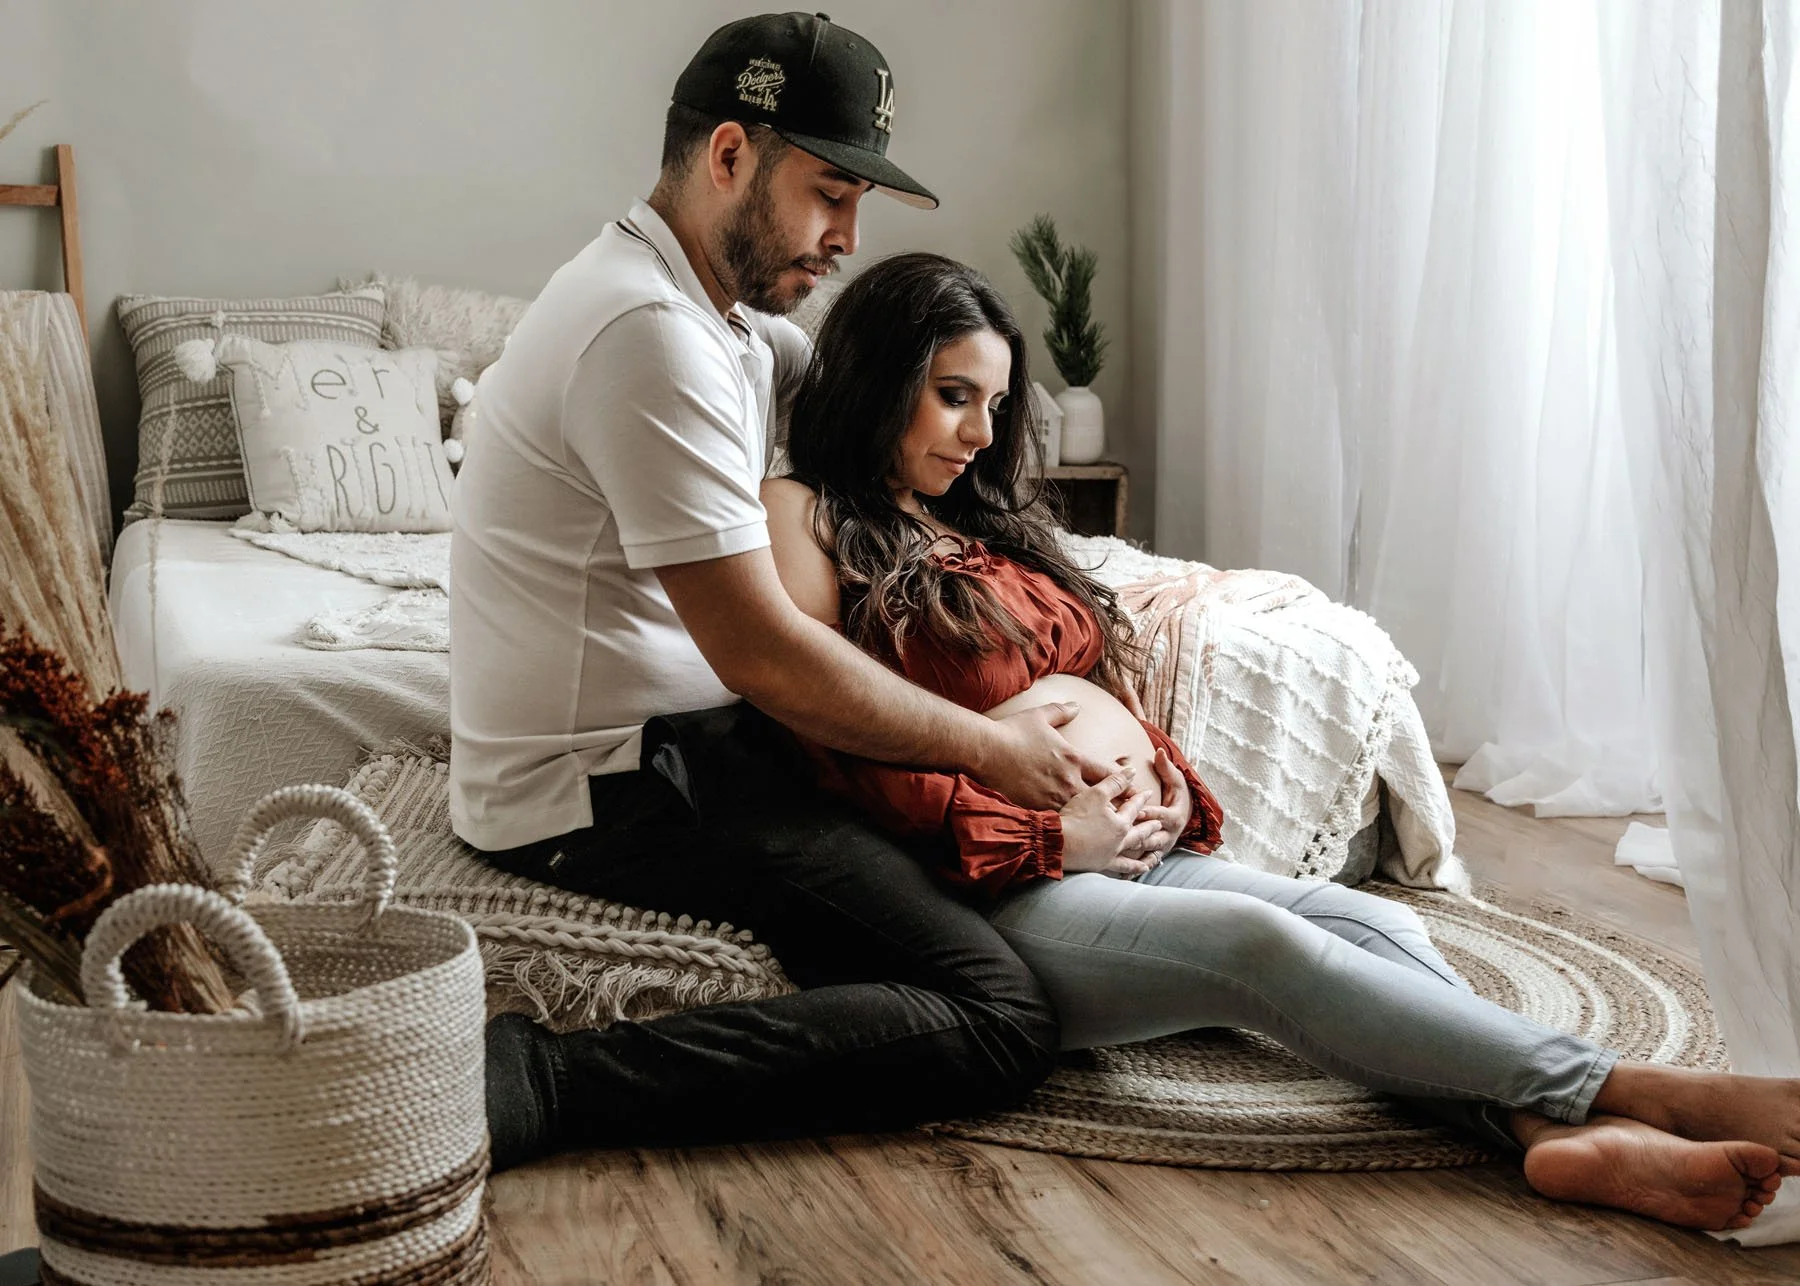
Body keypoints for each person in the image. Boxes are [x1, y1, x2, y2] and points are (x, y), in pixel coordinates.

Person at [761, 250, 1800, 1233]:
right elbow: (838, 748)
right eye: (954, 395)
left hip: (1133, 845)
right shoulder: (803, 516)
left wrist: (1162, 777)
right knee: (1264, 948)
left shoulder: (980, 523)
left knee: (1369, 923)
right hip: (1002, 889)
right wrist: (1049, 839)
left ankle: (1543, 1128)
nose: (983, 433)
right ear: (877, 375)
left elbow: (1092, 678)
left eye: (994, 403)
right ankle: (1633, 1088)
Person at [450, 13, 1171, 1172]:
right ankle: (542, 1077)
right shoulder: (646, 335)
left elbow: (867, 409)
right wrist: (997, 755)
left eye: (858, 207)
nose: (844, 237)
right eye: (829, 193)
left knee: (939, 852)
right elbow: (771, 657)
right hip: (605, 787)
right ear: (729, 155)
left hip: (695, 743)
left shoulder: (725, 321)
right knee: (1000, 1014)